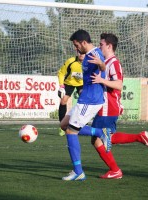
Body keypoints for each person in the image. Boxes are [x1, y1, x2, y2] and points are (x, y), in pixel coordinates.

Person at [61, 33, 148, 180]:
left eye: (102, 44)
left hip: (107, 106)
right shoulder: (101, 58)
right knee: (98, 136)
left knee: (100, 138)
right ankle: (133, 143)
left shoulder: (113, 63)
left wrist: (101, 80)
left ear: (109, 46)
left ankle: (117, 165)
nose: (99, 46)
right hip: (101, 104)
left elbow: (118, 85)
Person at [62, 29, 110, 181]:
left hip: (90, 100)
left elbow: (103, 67)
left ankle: (78, 172)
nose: (76, 48)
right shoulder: (87, 55)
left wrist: (101, 64)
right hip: (86, 97)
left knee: (71, 132)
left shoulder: (94, 55)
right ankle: (98, 131)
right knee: (64, 125)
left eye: (76, 45)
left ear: (83, 42)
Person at [57, 50, 85, 136]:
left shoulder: (89, 63)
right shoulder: (71, 61)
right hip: (69, 83)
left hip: (82, 84)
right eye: (79, 52)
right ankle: (62, 126)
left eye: (83, 53)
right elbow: (61, 73)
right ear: (77, 53)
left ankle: (81, 124)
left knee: (83, 100)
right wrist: (61, 86)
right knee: (63, 101)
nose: (81, 54)